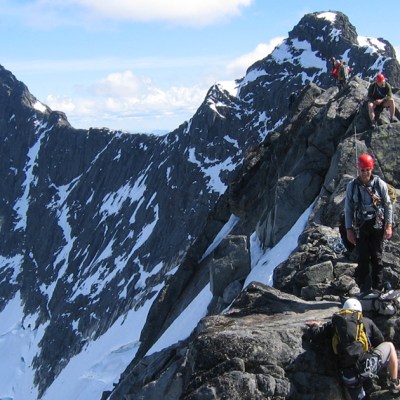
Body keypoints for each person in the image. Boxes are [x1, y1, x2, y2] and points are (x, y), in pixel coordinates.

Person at [306, 298, 400, 399]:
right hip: (367, 367)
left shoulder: (335, 324)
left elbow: (316, 335)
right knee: (389, 346)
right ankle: (394, 383)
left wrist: (314, 326)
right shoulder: (366, 321)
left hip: (348, 376)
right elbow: (381, 341)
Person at [345, 154, 393, 292]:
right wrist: (349, 229)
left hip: (377, 224)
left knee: (377, 257)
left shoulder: (380, 184)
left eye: (367, 169)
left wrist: (388, 225)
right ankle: (364, 290)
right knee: (363, 257)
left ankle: (377, 289)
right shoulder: (352, 186)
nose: (365, 173)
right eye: (362, 170)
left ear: (372, 168)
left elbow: (388, 205)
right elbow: (348, 209)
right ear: (358, 169)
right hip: (361, 225)